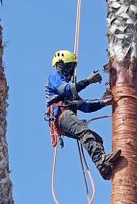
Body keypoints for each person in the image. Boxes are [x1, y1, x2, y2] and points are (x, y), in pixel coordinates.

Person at [45, 50, 121, 180]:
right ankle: (101, 160)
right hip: (61, 114)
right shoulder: (55, 77)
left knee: (96, 138)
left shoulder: (71, 92)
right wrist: (88, 81)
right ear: (61, 65)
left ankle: (103, 167)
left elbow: (85, 106)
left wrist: (104, 103)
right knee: (84, 132)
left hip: (64, 118)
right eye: (69, 67)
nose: (71, 71)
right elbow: (66, 89)